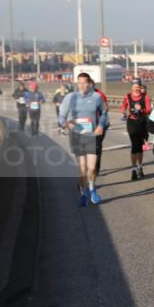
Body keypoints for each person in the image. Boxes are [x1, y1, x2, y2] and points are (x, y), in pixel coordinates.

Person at [58, 72, 109, 207]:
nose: (81, 85)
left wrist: (101, 125)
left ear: (89, 83)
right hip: (76, 136)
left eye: (84, 82)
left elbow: (104, 112)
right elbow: (61, 116)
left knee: (92, 168)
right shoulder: (70, 97)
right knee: (82, 168)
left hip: (91, 135)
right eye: (79, 82)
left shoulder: (97, 97)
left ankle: (92, 189)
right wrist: (66, 124)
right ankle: (83, 193)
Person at [122, 80, 152, 180]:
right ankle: (134, 169)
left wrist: (142, 109)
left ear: (140, 87)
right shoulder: (128, 96)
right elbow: (123, 106)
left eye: (138, 86)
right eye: (135, 86)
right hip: (132, 122)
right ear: (132, 87)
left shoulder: (145, 97)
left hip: (142, 122)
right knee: (134, 145)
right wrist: (123, 112)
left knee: (139, 146)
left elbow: (148, 110)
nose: (136, 88)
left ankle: (140, 166)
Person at [92, 84, 110, 177]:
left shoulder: (99, 94)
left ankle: (95, 169)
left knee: (96, 148)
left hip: (98, 126)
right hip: (84, 127)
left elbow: (106, 108)